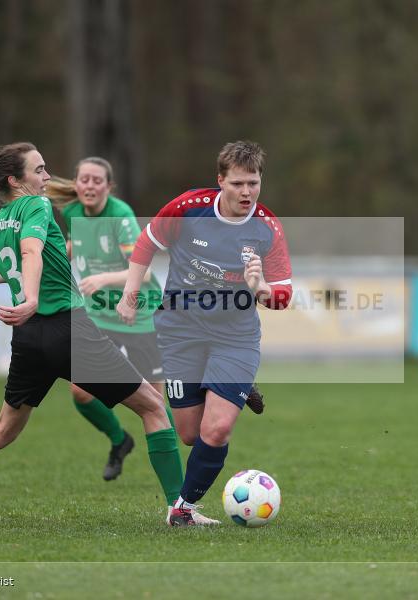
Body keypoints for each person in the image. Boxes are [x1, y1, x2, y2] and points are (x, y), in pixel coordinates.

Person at [0, 142, 183, 520]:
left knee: (3, 429)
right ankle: (181, 509)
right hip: (66, 327)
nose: (46, 176)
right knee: (154, 407)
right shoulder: (37, 206)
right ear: (16, 179)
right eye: (39, 169)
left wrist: (19, 289)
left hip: (27, 338)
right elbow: (30, 252)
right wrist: (31, 297)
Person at [117, 140, 293, 526]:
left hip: (236, 337)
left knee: (218, 428)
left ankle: (182, 510)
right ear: (221, 182)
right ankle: (233, 389)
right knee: (191, 434)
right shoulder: (187, 209)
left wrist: (261, 288)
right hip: (180, 331)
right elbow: (146, 244)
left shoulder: (266, 229)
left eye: (254, 183)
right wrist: (130, 296)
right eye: (238, 184)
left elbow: (283, 295)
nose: (247, 192)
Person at [44, 157, 165, 482]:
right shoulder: (71, 212)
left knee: (158, 404)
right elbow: (79, 244)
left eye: (98, 181)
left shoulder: (120, 214)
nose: (90, 186)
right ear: (76, 183)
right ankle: (119, 440)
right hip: (99, 316)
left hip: (140, 315)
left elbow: (145, 268)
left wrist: (103, 280)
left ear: (109, 187)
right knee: (81, 392)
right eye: (84, 179)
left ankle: (173, 480)